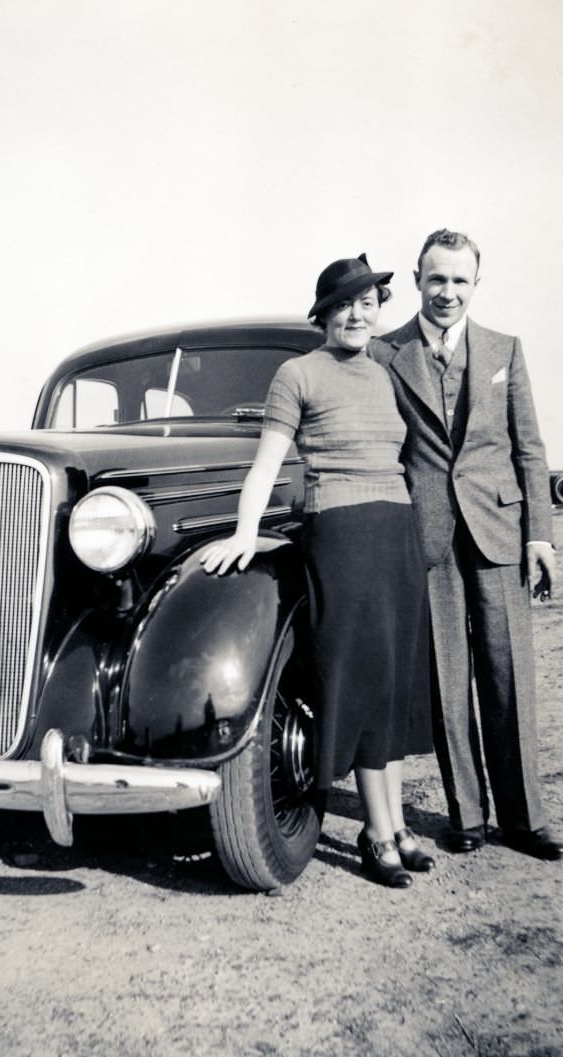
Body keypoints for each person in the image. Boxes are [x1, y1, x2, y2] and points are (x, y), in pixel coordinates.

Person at [201, 256, 433, 888]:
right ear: (323, 314)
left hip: (397, 531)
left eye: (368, 303)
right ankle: (379, 835)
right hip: (344, 533)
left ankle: (391, 826)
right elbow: (267, 464)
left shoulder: (386, 369)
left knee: (390, 682)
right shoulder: (297, 372)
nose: (357, 315)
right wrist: (245, 533)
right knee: (358, 681)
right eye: (343, 305)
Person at [371, 229, 562, 861]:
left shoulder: (506, 349)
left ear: (476, 283)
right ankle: (469, 815)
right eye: (436, 279)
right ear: (418, 279)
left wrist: (541, 535)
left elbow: (529, 450)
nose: (447, 292)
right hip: (426, 538)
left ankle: (527, 818)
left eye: (459, 280)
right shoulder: (383, 353)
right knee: (448, 682)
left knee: (508, 677)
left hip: (500, 531)